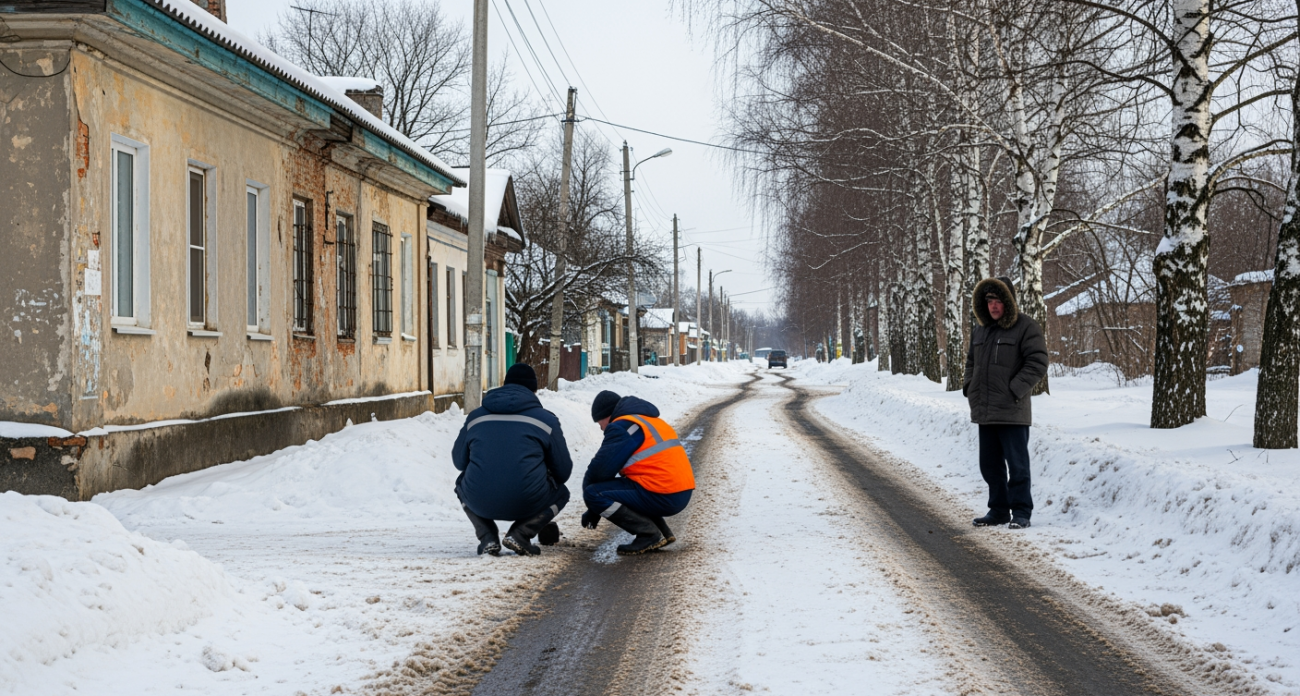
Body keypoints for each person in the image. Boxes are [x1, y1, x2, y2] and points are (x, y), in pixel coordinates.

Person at [452, 363, 572, 556]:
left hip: (479, 500)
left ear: (504, 385)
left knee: (461, 484)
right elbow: (563, 471)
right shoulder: (546, 420)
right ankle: (521, 534)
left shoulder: (475, 417)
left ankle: (487, 538)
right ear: (534, 390)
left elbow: (459, 462)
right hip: (528, 501)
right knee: (562, 493)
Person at [963, 276, 1049, 530]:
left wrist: (1015, 389)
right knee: (989, 465)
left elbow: (1038, 361)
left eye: (999, 300)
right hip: (985, 410)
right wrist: (970, 386)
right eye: (989, 301)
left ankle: (1021, 512)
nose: (993, 306)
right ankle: (998, 510)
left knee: (1017, 465)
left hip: (1012, 410)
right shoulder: (981, 330)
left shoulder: (1025, 327)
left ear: (1009, 301)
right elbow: (970, 362)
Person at [580, 390, 694, 555]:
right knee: (632, 485)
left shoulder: (623, 427)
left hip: (664, 493)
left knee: (594, 493)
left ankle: (648, 534)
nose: (601, 428)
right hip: (680, 491)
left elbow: (599, 471)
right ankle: (661, 531)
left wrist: (593, 507)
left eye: (600, 423)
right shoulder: (648, 421)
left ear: (608, 415)